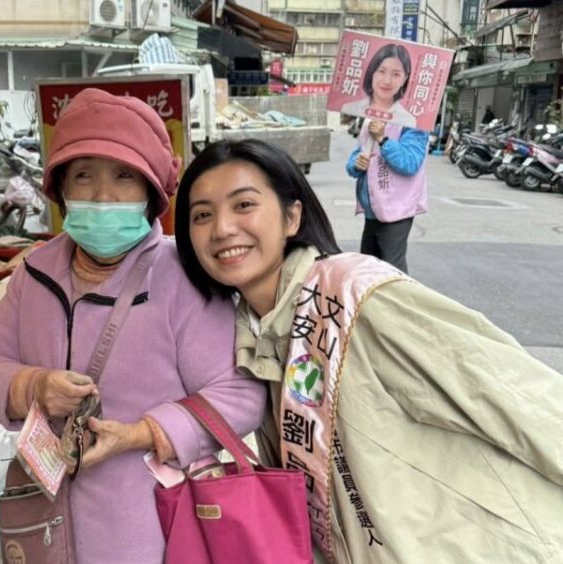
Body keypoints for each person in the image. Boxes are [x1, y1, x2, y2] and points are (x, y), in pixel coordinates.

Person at [174, 138, 563, 564]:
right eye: (202, 214)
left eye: (244, 205)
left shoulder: (356, 297)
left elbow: (519, 398)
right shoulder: (255, 344)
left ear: (292, 216)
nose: (222, 228)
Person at [0, 89, 266, 564]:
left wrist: (142, 432)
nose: (103, 196)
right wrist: (30, 386)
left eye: (125, 176)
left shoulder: (183, 276)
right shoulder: (35, 273)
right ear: (61, 189)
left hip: (153, 528)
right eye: (84, 175)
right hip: (43, 522)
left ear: (151, 193)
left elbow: (241, 394)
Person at [346, 117, 429, 273]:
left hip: (397, 209)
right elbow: (357, 154)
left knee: (392, 271)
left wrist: (382, 139)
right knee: (369, 269)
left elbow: (410, 162)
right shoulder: (370, 119)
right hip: (372, 209)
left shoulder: (413, 121)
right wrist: (356, 164)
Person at [340, 44, 416, 128]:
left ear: (404, 79)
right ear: (372, 73)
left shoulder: (408, 120)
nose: (387, 81)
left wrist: (382, 136)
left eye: (396, 74)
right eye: (381, 71)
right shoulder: (350, 109)